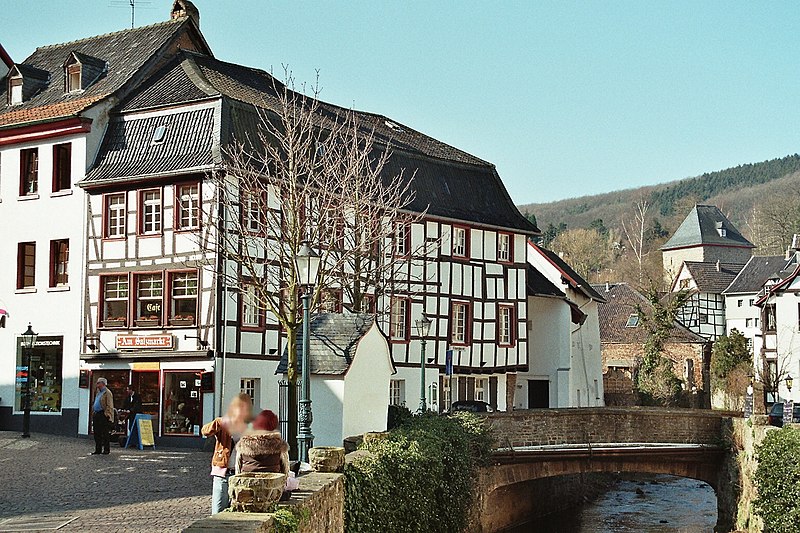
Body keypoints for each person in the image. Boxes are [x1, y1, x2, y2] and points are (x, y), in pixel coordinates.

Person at [201, 393, 252, 514]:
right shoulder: (223, 424)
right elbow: (205, 431)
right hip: (222, 474)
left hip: (241, 475)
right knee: (218, 511)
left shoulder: (249, 428)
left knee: (237, 512)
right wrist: (218, 422)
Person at [235, 409, 290, 476]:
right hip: (273, 483)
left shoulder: (243, 443)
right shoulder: (280, 444)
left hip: (248, 482)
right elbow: (286, 469)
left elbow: (238, 468)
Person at [92, 378, 114, 455]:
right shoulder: (98, 392)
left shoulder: (107, 393)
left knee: (105, 433)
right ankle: (98, 449)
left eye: (98, 383)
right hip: (96, 413)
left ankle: (106, 449)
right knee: (96, 433)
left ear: (103, 384)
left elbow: (109, 405)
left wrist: (107, 414)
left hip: (103, 414)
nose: (97, 384)